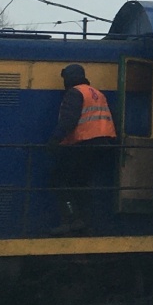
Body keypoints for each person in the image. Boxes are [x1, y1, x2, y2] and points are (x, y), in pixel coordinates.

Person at [50, 64, 118, 232]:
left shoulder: (74, 93)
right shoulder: (97, 93)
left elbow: (69, 120)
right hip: (102, 144)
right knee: (81, 181)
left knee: (58, 179)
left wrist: (54, 140)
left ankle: (71, 220)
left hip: (84, 142)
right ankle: (85, 220)